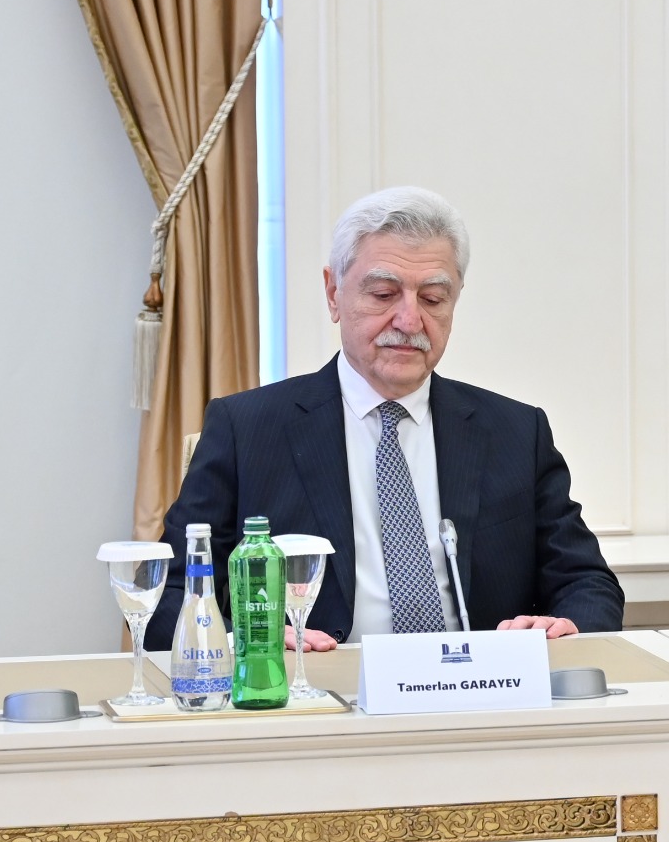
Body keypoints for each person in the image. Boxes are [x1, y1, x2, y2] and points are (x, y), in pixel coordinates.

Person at [146, 187, 622, 650]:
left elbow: (588, 584)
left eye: (433, 299)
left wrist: (562, 628)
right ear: (333, 293)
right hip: (317, 690)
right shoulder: (247, 429)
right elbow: (168, 597)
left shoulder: (516, 432)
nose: (409, 321)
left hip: (477, 689)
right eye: (382, 294)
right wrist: (248, 642)